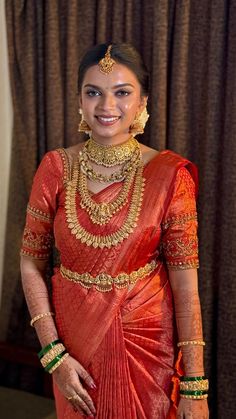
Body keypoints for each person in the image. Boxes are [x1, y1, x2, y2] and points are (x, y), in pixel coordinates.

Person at [20, 43, 209, 419]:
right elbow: (30, 264)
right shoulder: (55, 167)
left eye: (122, 92)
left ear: (142, 102)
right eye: (94, 92)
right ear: (80, 99)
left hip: (146, 345)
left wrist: (194, 384)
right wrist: (53, 355)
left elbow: (185, 285)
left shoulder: (170, 176)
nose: (107, 106)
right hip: (73, 349)